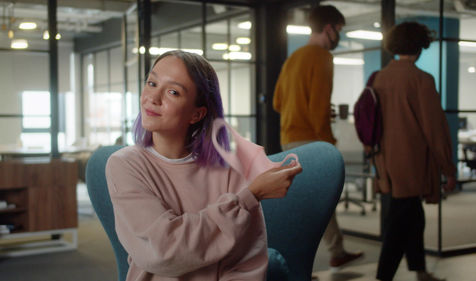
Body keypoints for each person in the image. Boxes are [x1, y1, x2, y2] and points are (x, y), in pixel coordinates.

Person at [106, 50, 302, 281]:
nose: (153, 97)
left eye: (173, 92)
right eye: (152, 82)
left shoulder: (230, 168)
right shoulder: (124, 165)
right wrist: (249, 196)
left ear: (196, 114)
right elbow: (164, 251)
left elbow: (248, 262)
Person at [273, 4, 363, 273]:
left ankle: (334, 251)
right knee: (314, 204)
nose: (339, 36)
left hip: (289, 138)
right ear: (329, 28)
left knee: (306, 202)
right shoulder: (322, 57)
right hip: (311, 141)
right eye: (339, 30)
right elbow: (318, 109)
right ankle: (311, 261)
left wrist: (298, 108)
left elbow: (278, 102)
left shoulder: (294, 58)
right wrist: (329, 147)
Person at [372, 22, 456, 281]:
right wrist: (448, 169)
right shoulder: (422, 80)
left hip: (386, 161)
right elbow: (436, 131)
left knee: (413, 217)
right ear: (421, 46)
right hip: (411, 162)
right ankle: (383, 276)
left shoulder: (378, 78)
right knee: (400, 222)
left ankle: (420, 271)